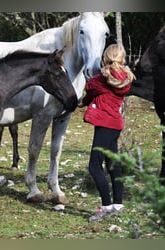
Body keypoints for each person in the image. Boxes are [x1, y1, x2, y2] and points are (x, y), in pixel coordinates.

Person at [78, 44, 136, 222]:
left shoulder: (102, 79)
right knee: (112, 165)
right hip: (116, 124)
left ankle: (106, 206)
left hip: (104, 125)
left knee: (94, 166)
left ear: (105, 58)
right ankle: (118, 204)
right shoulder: (126, 77)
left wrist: (83, 101)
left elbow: (90, 87)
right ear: (123, 58)